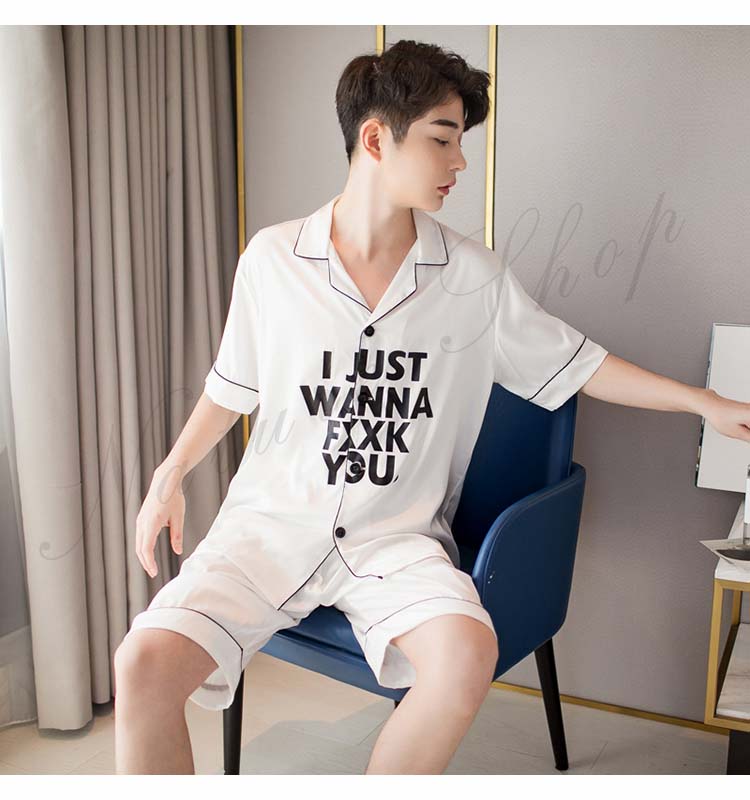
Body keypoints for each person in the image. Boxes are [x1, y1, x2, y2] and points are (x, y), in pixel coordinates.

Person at [113, 39, 750, 776]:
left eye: (461, 141)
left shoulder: (474, 279)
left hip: (394, 539)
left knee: (465, 654)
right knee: (142, 664)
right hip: (269, 527)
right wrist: (169, 474)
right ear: (375, 139)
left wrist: (702, 402)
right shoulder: (273, 259)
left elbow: (581, 363)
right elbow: (231, 386)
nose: (459, 162)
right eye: (442, 139)